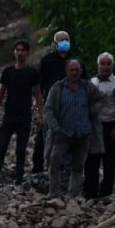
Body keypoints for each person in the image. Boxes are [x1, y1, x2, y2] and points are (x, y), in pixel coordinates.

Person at [0, 40, 43, 187]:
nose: (20, 53)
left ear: (27, 53)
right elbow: (1, 92)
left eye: (23, 50)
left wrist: (39, 115)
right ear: (14, 52)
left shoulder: (32, 73)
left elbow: (38, 95)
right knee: (1, 149)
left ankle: (19, 181)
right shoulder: (8, 72)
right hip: (9, 115)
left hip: (25, 116)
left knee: (21, 150)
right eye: (17, 50)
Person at [33, 30, 88, 173]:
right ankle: (40, 170)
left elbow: (85, 84)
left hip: (72, 106)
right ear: (55, 43)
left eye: (66, 39)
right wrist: (39, 110)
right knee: (45, 139)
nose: (64, 42)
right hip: (51, 106)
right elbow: (38, 86)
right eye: (61, 40)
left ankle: (69, 171)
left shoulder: (76, 62)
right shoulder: (47, 60)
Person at [44, 59, 99, 198]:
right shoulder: (58, 88)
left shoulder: (88, 87)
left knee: (78, 166)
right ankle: (54, 193)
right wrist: (55, 128)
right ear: (67, 71)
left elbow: (99, 100)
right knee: (54, 163)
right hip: (63, 132)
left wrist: (92, 111)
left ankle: (73, 194)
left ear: (81, 71)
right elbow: (48, 109)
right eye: (72, 70)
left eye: (77, 70)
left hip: (82, 133)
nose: (74, 73)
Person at [84, 52, 115, 198]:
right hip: (93, 126)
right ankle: (90, 190)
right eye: (103, 63)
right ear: (98, 65)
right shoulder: (91, 83)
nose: (106, 67)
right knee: (91, 160)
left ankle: (106, 190)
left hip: (110, 125)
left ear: (112, 65)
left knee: (109, 160)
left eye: (108, 64)